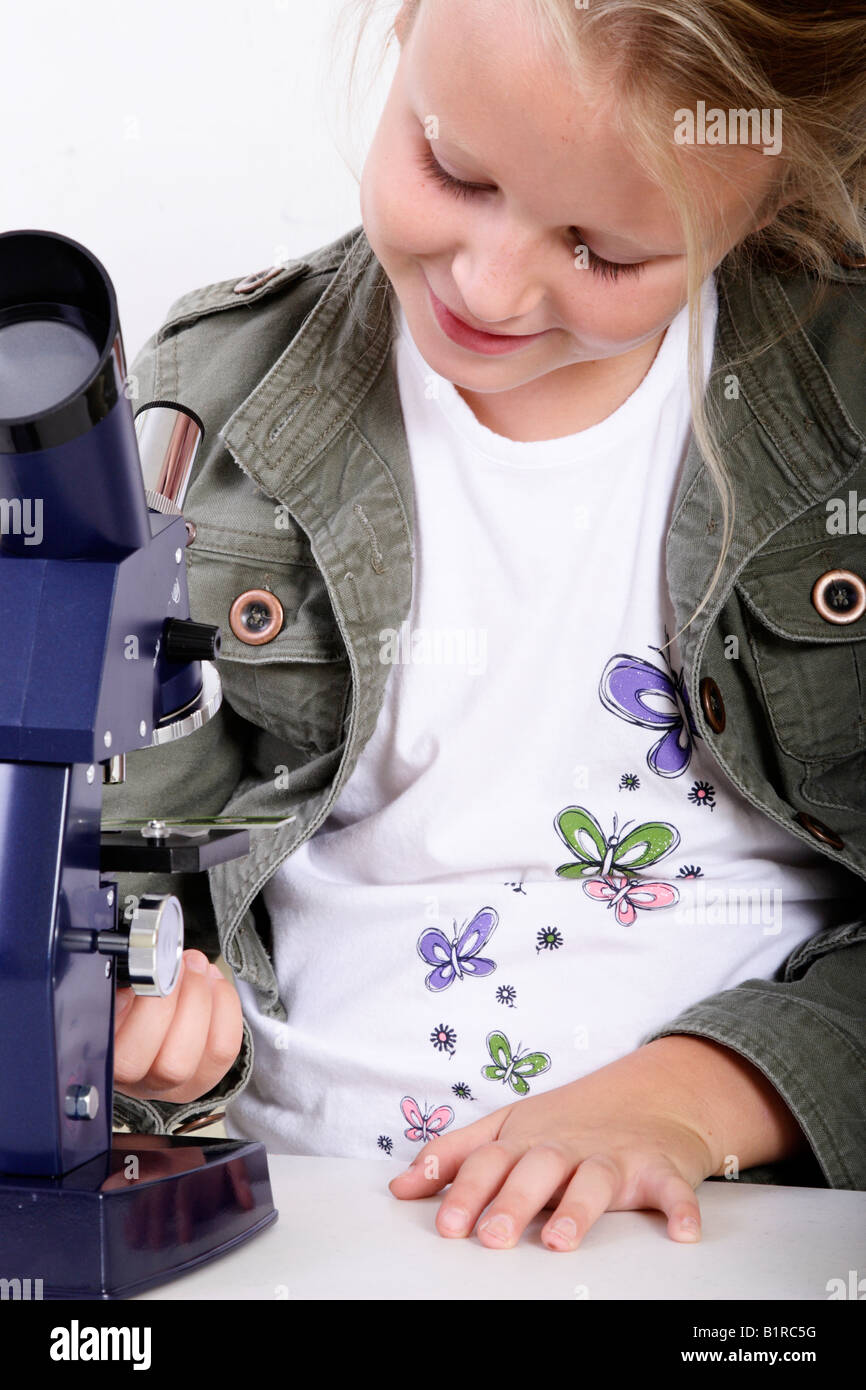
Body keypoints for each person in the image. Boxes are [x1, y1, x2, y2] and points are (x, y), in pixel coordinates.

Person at [108, 0, 866, 1252]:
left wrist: (692, 1101)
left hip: (728, 1234)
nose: (489, 284)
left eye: (605, 252)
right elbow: (121, 864)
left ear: (773, 183)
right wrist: (155, 1030)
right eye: (451, 169)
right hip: (304, 1220)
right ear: (403, 25)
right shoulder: (213, 406)